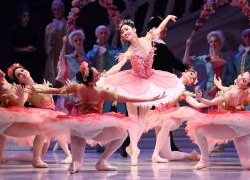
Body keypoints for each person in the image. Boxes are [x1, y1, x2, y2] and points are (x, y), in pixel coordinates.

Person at [31, 61, 166, 173]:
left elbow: (56, 91)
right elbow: (129, 98)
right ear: (91, 80)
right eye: (97, 73)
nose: (100, 73)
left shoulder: (78, 88)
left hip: (78, 127)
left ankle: (77, 164)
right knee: (123, 134)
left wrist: (36, 89)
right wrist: (150, 98)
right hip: (94, 129)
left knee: (77, 162)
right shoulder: (101, 92)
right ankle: (101, 161)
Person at [97, 15, 185, 165]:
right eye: (122, 32)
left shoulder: (148, 39)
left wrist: (169, 17)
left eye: (126, 29)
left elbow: (159, 28)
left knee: (143, 119)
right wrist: (107, 73)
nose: (124, 32)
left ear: (134, 29)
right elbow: (118, 66)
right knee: (133, 117)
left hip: (150, 80)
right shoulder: (129, 51)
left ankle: (133, 147)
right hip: (133, 82)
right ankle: (134, 151)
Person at [186, 70, 250, 171]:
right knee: (247, 162)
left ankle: (204, 160)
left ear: (246, 85)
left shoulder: (232, 94)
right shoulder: (241, 90)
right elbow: (230, 90)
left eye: (243, 80)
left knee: (199, 130)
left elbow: (211, 102)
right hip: (241, 127)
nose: (239, 78)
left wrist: (200, 98)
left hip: (233, 126)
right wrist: (220, 85)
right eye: (241, 75)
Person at [0, 65, 56, 168]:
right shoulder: (4, 87)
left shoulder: (6, 84)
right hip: (6, 124)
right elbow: (17, 107)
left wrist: (21, 97)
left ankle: (37, 158)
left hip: (1, 124)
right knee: (41, 128)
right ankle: (36, 160)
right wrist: (21, 98)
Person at [5, 63, 72, 164]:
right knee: (58, 128)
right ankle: (68, 155)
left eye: (22, 71)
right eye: (19, 75)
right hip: (44, 115)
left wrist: (69, 89)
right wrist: (21, 97)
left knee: (40, 154)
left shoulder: (40, 85)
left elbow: (56, 91)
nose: (22, 74)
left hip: (52, 113)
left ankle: (68, 155)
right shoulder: (27, 89)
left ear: (27, 71)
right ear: (19, 81)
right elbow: (21, 103)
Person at [144, 69, 204, 163]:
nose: (192, 77)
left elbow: (197, 104)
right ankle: (191, 156)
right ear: (184, 72)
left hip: (170, 115)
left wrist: (209, 102)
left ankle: (155, 155)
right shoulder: (169, 80)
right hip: (158, 115)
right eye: (191, 74)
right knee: (168, 155)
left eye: (193, 79)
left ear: (190, 83)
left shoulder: (183, 93)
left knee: (168, 123)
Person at [149, 16, 189, 152]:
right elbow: (171, 61)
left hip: (161, 83)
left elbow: (170, 61)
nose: (165, 29)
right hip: (158, 84)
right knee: (161, 115)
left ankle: (168, 145)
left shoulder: (157, 43)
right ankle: (127, 144)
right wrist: (187, 70)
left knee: (164, 115)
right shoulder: (156, 44)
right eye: (162, 27)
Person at [87, 25, 126, 153]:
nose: (103, 35)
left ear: (108, 35)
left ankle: (119, 142)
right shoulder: (91, 53)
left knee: (117, 113)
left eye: (105, 33)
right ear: (97, 35)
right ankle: (100, 143)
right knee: (100, 114)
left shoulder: (114, 51)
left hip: (113, 86)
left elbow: (122, 61)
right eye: (100, 33)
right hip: (98, 86)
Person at [7, 4, 41, 81]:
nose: (26, 18)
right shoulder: (14, 30)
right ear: (20, 16)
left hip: (31, 61)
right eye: (24, 16)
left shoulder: (33, 29)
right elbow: (11, 48)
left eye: (28, 16)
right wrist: (24, 49)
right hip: (18, 61)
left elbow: (38, 45)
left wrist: (33, 48)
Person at [44, 0, 72, 85]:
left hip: (65, 57)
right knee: (52, 84)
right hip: (53, 59)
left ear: (63, 9)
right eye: (54, 9)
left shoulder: (69, 25)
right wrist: (51, 39)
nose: (56, 12)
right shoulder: (49, 27)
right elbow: (46, 47)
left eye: (58, 9)